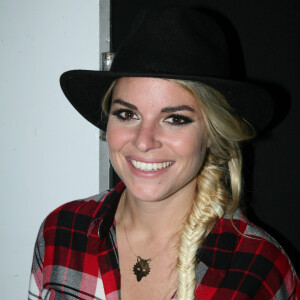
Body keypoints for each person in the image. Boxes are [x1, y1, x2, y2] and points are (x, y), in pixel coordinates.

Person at [28, 7, 299, 300]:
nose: (144, 141)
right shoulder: (61, 232)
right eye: (127, 114)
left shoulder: (259, 267)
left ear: (211, 133)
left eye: (175, 119)